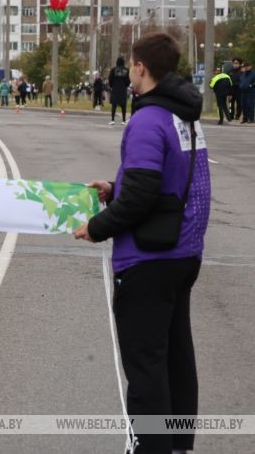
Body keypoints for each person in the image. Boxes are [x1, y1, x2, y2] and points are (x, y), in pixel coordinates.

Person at [74, 33, 210, 454]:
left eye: (132, 64)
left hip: (150, 258)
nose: (130, 71)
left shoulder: (148, 120)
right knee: (175, 357)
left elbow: (143, 194)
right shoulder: (184, 117)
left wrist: (97, 227)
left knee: (145, 363)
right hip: (183, 252)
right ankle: (177, 445)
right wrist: (115, 188)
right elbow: (168, 182)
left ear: (141, 67)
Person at [109, 56, 131, 125]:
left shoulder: (113, 70)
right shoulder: (126, 70)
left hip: (115, 89)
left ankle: (112, 120)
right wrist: (126, 85)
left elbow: (110, 79)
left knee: (114, 105)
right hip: (123, 89)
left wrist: (112, 85)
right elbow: (128, 80)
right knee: (123, 105)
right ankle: (123, 120)